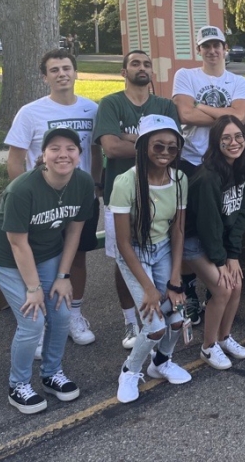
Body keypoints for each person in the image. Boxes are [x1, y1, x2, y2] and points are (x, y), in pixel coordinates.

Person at [0, 128, 93, 414]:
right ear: (43, 156)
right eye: (54, 148)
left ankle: (51, 374)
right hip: (6, 254)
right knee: (32, 320)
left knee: (61, 310)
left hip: (47, 251)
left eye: (70, 148)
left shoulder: (82, 183)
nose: (63, 154)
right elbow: (17, 243)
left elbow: (74, 233)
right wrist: (34, 290)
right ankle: (17, 385)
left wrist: (63, 277)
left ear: (79, 156)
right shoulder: (22, 189)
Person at [5, 49, 102, 347]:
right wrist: (20, 195)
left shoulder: (92, 109)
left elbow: (96, 151)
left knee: (77, 258)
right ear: (44, 76)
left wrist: (95, 186)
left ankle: (74, 314)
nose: (62, 74)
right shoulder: (31, 112)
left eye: (66, 68)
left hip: (79, 201)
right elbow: (15, 158)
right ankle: (39, 321)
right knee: (38, 260)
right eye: (54, 69)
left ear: (75, 72)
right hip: (42, 203)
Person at [94, 50, 180, 349]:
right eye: (135, 63)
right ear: (123, 71)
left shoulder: (165, 105)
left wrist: (130, 138)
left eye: (147, 64)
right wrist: (153, 146)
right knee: (124, 258)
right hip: (122, 194)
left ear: (151, 72)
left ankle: (160, 311)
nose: (141, 68)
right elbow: (112, 149)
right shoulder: (111, 104)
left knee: (160, 251)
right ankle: (130, 320)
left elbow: (172, 147)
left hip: (160, 189)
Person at [173, 25, 245, 321]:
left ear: (225, 48)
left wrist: (202, 106)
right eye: (207, 46)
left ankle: (214, 288)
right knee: (188, 227)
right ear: (199, 50)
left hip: (223, 161)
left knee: (220, 219)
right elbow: (185, 114)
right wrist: (225, 113)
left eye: (217, 45)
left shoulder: (238, 80)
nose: (212, 50)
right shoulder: (186, 75)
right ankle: (189, 289)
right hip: (190, 160)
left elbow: (240, 117)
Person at [111, 115, 191, 403]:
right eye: (158, 146)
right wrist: (148, 288)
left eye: (172, 148)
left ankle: (161, 364)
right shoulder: (125, 182)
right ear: (143, 146)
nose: (166, 153)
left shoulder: (180, 179)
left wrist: (175, 280)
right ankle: (130, 371)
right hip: (134, 252)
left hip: (164, 250)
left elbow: (178, 230)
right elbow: (122, 242)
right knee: (155, 326)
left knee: (177, 319)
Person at [184, 115, 245, 369]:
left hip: (218, 241)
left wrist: (233, 256)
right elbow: (208, 223)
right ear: (216, 142)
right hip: (195, 240)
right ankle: (208, 346)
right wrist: (220, 261)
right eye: (226, 138)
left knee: (237, 282)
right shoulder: (208, 176)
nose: (234, 142)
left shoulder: (243, 168)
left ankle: (224, 337)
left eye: (238, 136)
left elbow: (241, 213)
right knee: (223, 288)